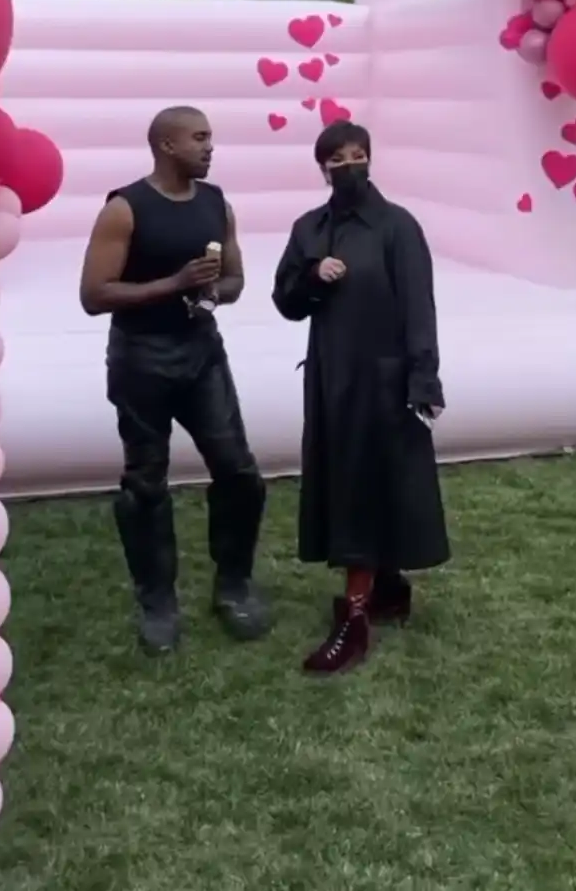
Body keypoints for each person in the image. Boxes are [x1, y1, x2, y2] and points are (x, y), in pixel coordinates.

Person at [80, 106, 269, 654]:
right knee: (145, 483)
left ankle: (233, 585)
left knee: (238, 471)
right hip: (141, 357)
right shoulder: (125, 208)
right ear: (166, 144)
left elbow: (234, 279)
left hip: (201, 353)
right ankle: (158, 603)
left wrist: (213, 291)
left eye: (211, 138)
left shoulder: (217, 204)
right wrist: (174, 283)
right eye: (200, 138)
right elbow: (95, 295)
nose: (211, 148)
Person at [272, 119, 450, 676]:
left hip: (386, 382)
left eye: (359, 154)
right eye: (338, 157)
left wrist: (424, 380)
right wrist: (312, 276)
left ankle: (354, 618)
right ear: (322, 167)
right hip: (331, 382)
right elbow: (286, 300)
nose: (349, 164)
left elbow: (419, 307)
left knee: (372, 485)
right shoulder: (309, 228)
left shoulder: (397, 227)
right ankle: (388, 589)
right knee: (348, 481)